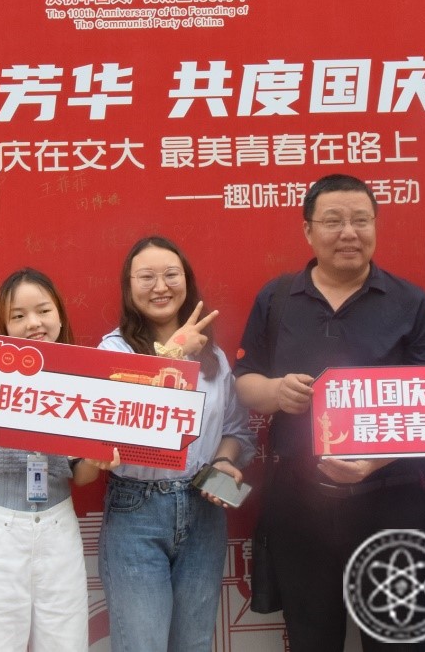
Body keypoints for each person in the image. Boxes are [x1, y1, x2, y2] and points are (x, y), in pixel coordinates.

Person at [233, 174, 425, 652]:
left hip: (390, 500)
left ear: (376, 226)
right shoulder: (277, 298)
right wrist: (276, 391)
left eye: (361, 220)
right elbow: (244, 381)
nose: (349, 232)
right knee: (311, 640)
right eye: (333, 221)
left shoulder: (410, 302)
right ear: (308, 231)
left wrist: (374, 461)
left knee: (396, 640)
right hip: (299, 501)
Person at [0, 268, 118, 652]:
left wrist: (98, 458)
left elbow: (81, 476)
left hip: (59, 533)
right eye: (18, 316)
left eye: (43, 311)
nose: (33, 323)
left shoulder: (82, 380)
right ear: (4, 326)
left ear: (60, 316)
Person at [97, 236, 255, 652]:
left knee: (193, 644)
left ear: (187, 281)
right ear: (129, 287)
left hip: (203, 510)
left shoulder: (214, 357)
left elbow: (236, 429)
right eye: (146, 277)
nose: (160, 286)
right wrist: (175, 355)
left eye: (171, 275)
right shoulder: (113, 350)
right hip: (136, 511)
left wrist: (223, 462)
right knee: (141, 644)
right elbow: (130, 416)